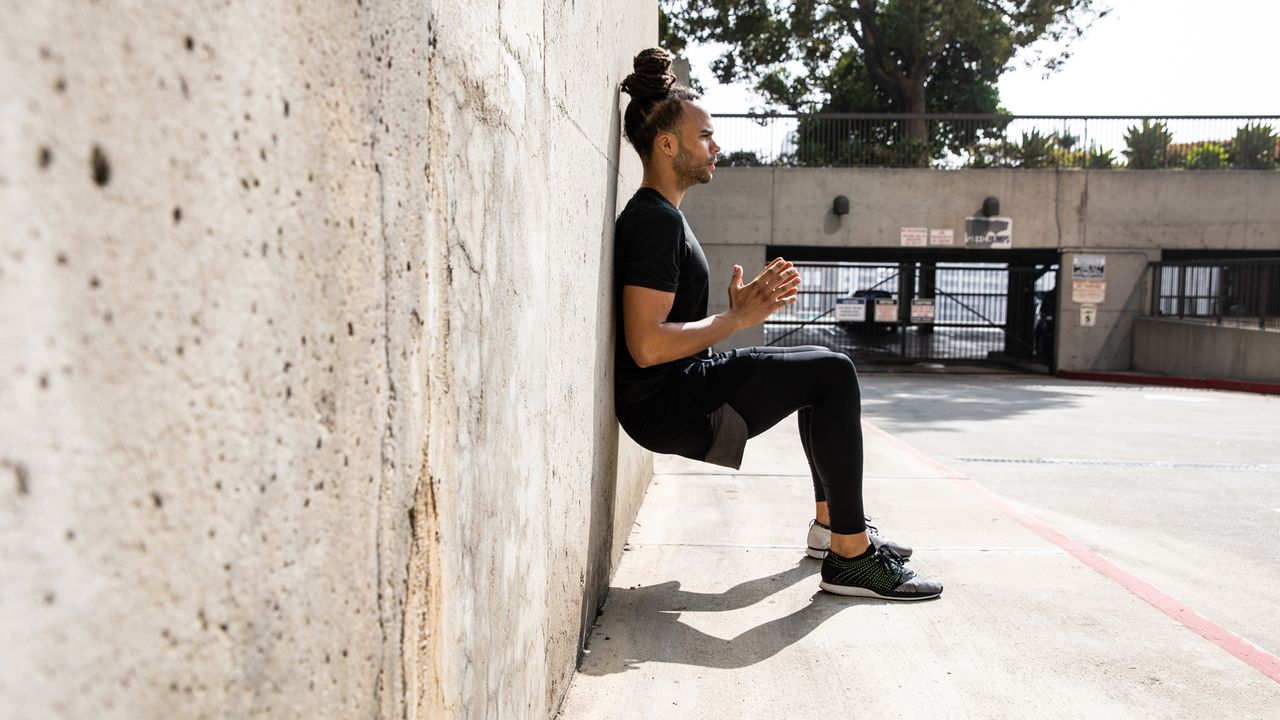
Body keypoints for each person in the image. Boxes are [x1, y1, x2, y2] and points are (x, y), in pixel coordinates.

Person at [612, 48, 942, 601]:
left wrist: (729, 315)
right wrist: (735, 318)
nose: (716, 147)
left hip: (679, 388)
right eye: (705, 138)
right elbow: (645, 346)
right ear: (667, 145)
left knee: (823, 371)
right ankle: (851, 556)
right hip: (666, 402)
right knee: (833, 373)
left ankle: (832, 531)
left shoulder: (663, 216)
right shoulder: (652, 222)